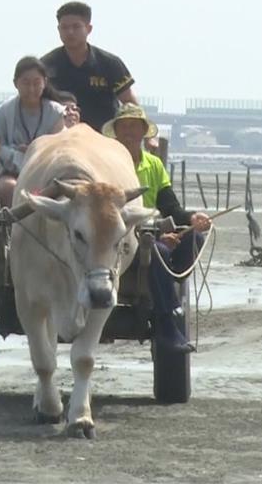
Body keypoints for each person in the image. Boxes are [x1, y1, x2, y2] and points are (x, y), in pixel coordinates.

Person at [103, 104, 211, 353]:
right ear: (116, 132)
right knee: (158, 252)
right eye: (124, 126)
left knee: (195, 237)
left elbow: (170, 207)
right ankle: (166, 320)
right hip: (121, 234)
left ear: (143, 132)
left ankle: (171, 288)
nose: (129, 131)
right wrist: (161, 236)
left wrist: (194, 217)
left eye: (134, 126)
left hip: (154, 232)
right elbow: (110, 212)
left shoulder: (153, 164)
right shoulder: (109, 165)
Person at [41, 1, 138, 132]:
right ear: (58, 30)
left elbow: (129, 103)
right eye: (64, 27)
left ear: (89, 29)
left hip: (103, 138)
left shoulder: (110, 64)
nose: (70, 32)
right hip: (58, 137)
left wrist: (146, 135)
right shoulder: (45, 65)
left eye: (76, 27)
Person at [0, 56, 65, 206]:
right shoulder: (4, 111)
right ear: (15, 83)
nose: (31, 89)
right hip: (13, 175)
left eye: (36, 83)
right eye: (26, 83)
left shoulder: (56, 112)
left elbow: (56, 152)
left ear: (45, 82)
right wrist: (13, 155)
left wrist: (28, 150)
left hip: (46, 176)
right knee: (8, 188)